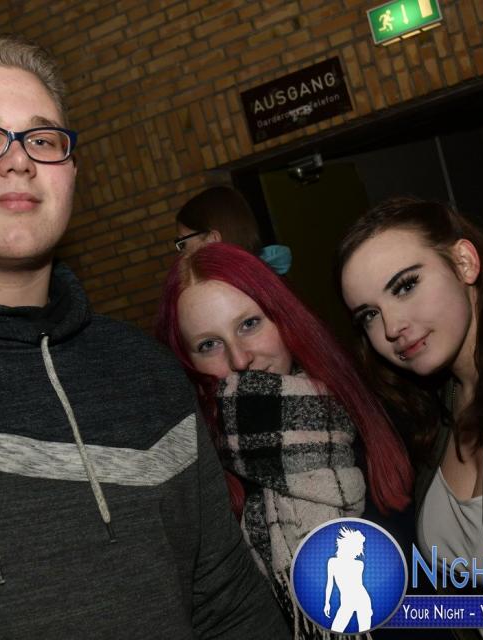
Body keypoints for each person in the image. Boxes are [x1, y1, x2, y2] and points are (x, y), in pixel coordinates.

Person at [0, 34, 290, 639]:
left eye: (42, 140)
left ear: (71, 172)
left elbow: (226, 602)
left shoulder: (149, 375)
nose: (18, 161)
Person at [156, 241, 414, 639]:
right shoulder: (200, 477)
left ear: (284, 318)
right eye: (209, 345)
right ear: (188, 363)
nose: (240, 359)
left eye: (249, 324)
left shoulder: (381, 409)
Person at [339, 197, 483, 640]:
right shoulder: (436, 408)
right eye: (369, 315)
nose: (391, 327)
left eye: (405, 286)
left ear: (464, 262)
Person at [175, 185, 292, 274]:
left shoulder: (222, 290)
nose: (181, 255)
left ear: (212, 239)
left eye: (183, 243)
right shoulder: (261, 274)